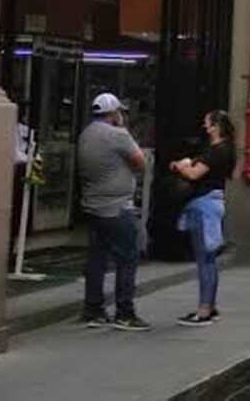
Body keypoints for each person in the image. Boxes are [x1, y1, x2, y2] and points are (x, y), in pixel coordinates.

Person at [77, 93, 150, 331]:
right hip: (117, 207)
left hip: (92, 206)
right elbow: (141, 162)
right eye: (120, 111)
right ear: (114, 113)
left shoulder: (86, 134)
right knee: (128, 257)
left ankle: (93, 309)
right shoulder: (118, 134)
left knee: (96, 259)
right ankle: (124, 312)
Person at [169, 110, 236, 326]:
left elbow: (193, 174)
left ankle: (204, 310)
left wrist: (180, 167)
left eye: (208, 124)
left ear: (217, 126)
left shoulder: (218, 150)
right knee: (208, 259)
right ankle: (210, 306)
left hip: (204, 205)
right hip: (214, 202)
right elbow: (197, 161)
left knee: (204, 259)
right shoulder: (223, 149)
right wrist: (187, 161)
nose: (205, 127)